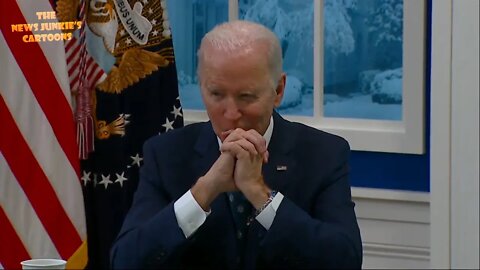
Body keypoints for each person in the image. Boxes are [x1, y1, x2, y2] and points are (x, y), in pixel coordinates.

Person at [110, 20, 362, 269]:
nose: (231, 113)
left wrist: (260, 194)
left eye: (246, 96)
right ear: (201, 87)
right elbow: (125, 260)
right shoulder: (165, 153)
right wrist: (202, 193)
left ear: (278, 90)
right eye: (216, 94)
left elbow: (345, 260)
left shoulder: (324, 153)